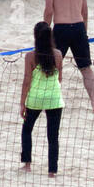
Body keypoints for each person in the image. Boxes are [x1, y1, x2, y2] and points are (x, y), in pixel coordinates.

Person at [44, 0, 94, 112]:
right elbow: (85, 12)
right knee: (86, 68)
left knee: (53, 67)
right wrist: (85, 32)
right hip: (78, 27)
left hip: (61, 28)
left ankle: (50, 100)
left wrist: (45, 31)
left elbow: (49, 11)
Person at [20, 21, 64, 177]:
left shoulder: (30, 56)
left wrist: (22, 103)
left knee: (27, 129)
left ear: (35, 37)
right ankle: (52, 172)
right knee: (53, 136)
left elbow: (27, 81)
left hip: (35, 98)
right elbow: (60, 78)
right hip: (54, 98)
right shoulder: (58, 54)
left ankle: (27, 165)